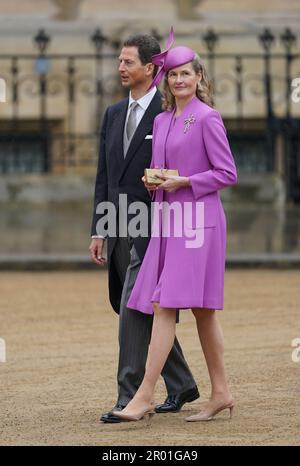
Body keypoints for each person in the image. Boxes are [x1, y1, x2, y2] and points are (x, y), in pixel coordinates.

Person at [112, 28, 238, 423]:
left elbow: (227, 173)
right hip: (168, 220)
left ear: (199, 77)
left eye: (187, 73)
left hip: (199, 222)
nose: (180, 80)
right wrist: (156, 181)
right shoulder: (164, 120)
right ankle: (220, 393)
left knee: (163, 304)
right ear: (165, 79)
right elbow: (163, 170)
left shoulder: (208, 118)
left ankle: (144, 395)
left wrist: (185, 181)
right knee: (202, 312)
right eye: (174, 74)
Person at [89, 33, 199, 423]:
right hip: (118, 224)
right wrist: (100, 229)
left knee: (133, 311)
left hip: (157, 225)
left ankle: (130, 395)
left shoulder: (169, 112)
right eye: (119, 61)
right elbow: (105, 176)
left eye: (127, 61)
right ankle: (182, 383)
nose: (120, 67)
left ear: (150, 68)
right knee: (135, 305)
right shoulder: (113, 113)